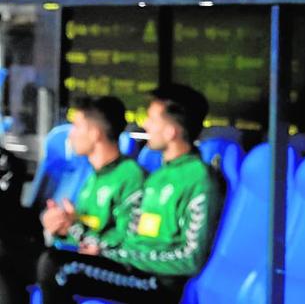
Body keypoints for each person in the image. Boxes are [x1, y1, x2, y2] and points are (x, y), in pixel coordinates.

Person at [36, 85, 224, 304]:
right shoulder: (157, 177)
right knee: (52, 262)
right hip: (130, 268)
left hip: (157, 283)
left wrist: (117, 254)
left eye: (152, 119)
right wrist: (85, 237)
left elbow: (191, 259)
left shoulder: (200, 179)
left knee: (59, 267)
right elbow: (130, 237)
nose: (145, 125)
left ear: (171, 131)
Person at [0, 96, 142, 304]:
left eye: (76, 127)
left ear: (94, 133)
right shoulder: (94, 176)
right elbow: (82, 224)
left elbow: (127, 239)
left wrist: (73, 227)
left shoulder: (130, 176)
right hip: (69, 251)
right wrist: (57, 221)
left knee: (51, 264)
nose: (70, 136)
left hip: (100, 263)